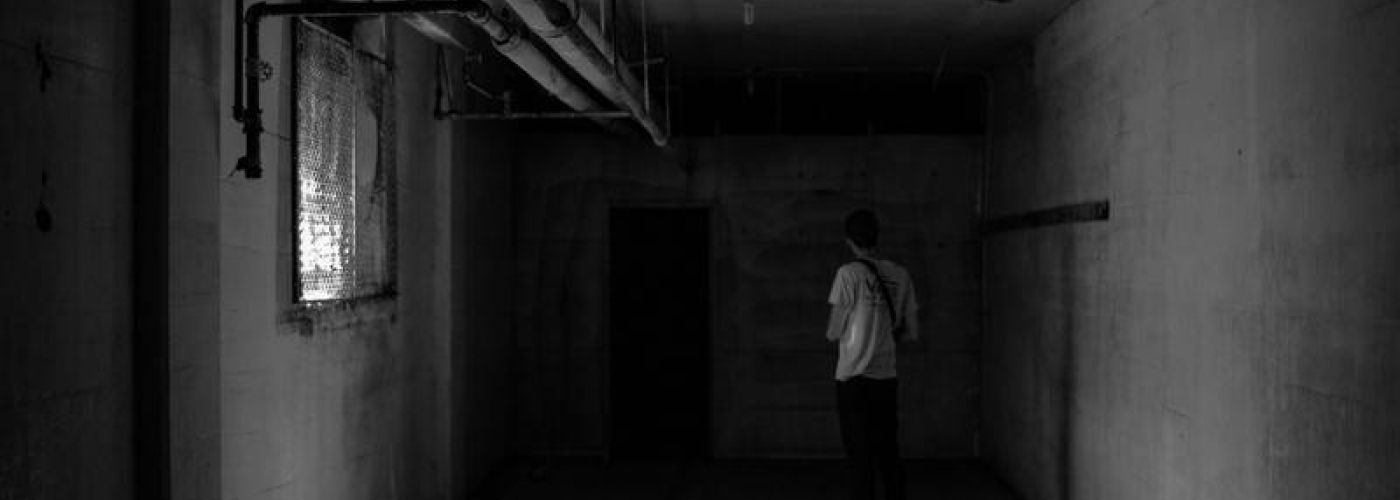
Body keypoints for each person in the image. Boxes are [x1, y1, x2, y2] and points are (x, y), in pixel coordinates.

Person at [826, 209, 918, 500]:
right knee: (888, 451)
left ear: (848, 240)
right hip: (886, 377)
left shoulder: (847, 274)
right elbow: (911, 332)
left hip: (853, 378)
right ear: (877, 237)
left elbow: (833, 330)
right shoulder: (900, 275)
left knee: (860, 456)